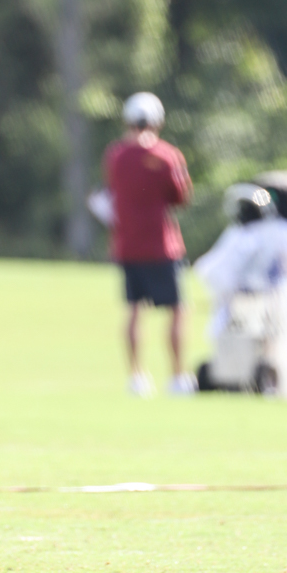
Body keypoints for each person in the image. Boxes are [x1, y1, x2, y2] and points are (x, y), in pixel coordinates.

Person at [103, 92, 194, 397]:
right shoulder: (167, 155)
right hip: (161, 245)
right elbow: (181, 196)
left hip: (128, 244)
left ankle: (136, 376)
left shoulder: (115, 155)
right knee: (178, 310)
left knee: (133, 310)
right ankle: (178, 376)